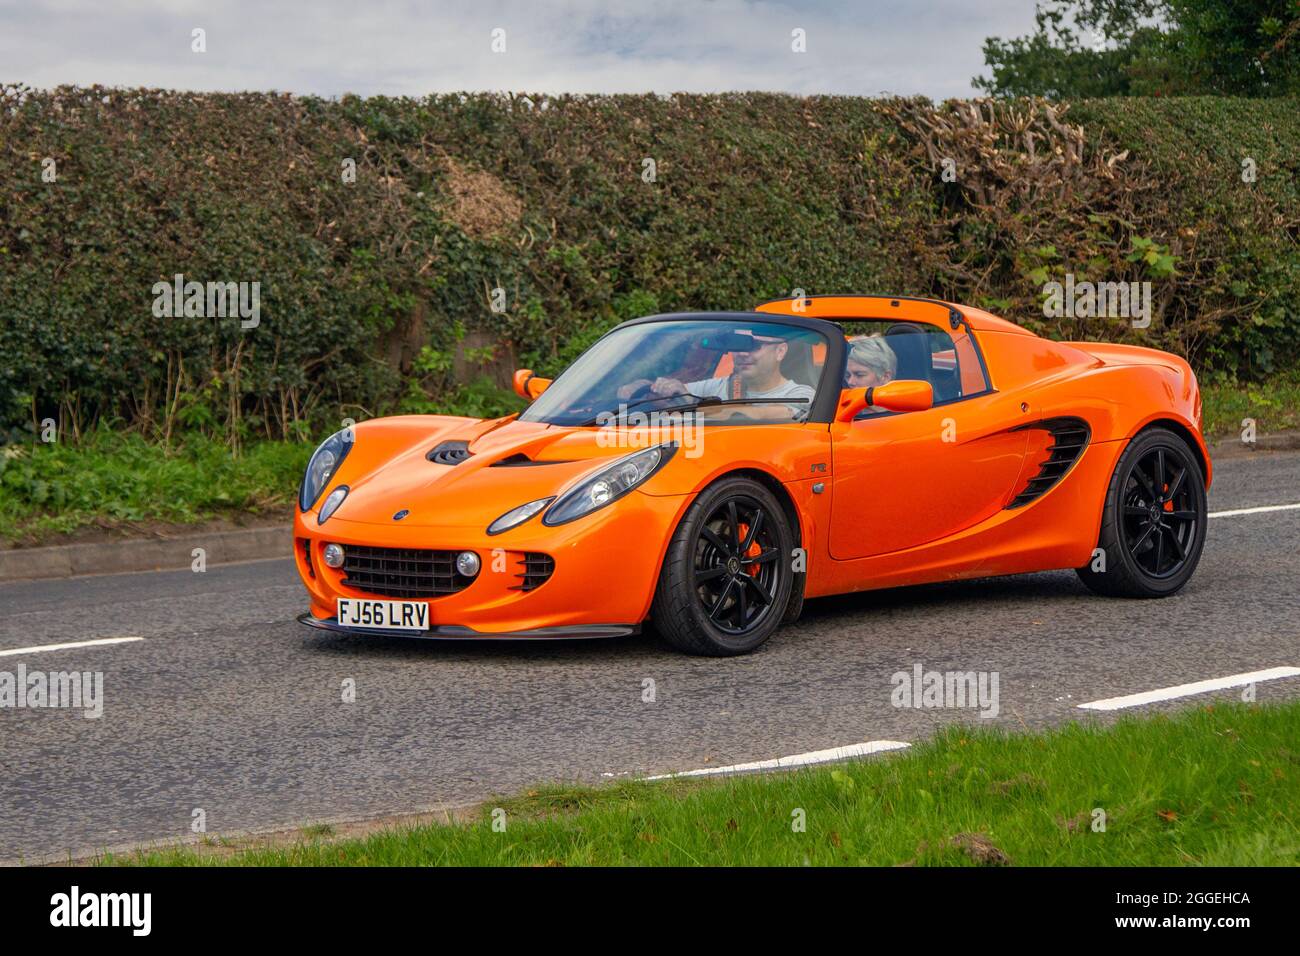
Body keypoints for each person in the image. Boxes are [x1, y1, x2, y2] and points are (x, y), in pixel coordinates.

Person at [618, 330, 814, 420]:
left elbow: (750, 415)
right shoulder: (719, 386)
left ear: (780, 351)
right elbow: (673, 392)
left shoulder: (803, 395)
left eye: (753, 346)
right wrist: (648, 388)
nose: (743, 353)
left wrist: (688, 402)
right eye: (736, 345)